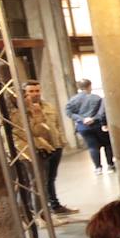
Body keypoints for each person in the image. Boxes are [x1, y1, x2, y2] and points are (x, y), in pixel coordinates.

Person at [14, 81, 75, 214]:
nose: (35, 94)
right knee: (38, 180)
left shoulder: (48, 106)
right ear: (24, 93)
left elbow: (57, 125)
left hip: (55, 146)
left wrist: (62, 140)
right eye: (31, 91)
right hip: (38, 149)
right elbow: (30, 132)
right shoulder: (21, 111)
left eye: (37, 91)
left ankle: (54, 205)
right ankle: (38, 211)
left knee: (50, 178)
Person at [66, 79, 115, 175]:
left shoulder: (73, 100)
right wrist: (93, 118)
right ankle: (110, 165)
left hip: (83, 127)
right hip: (98, 125)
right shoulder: (96, 98)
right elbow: (102, 112)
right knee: (107, 144)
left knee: (92, 146)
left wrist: (81, 119)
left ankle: (98, 168)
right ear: (89, 86)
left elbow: (68, 112)